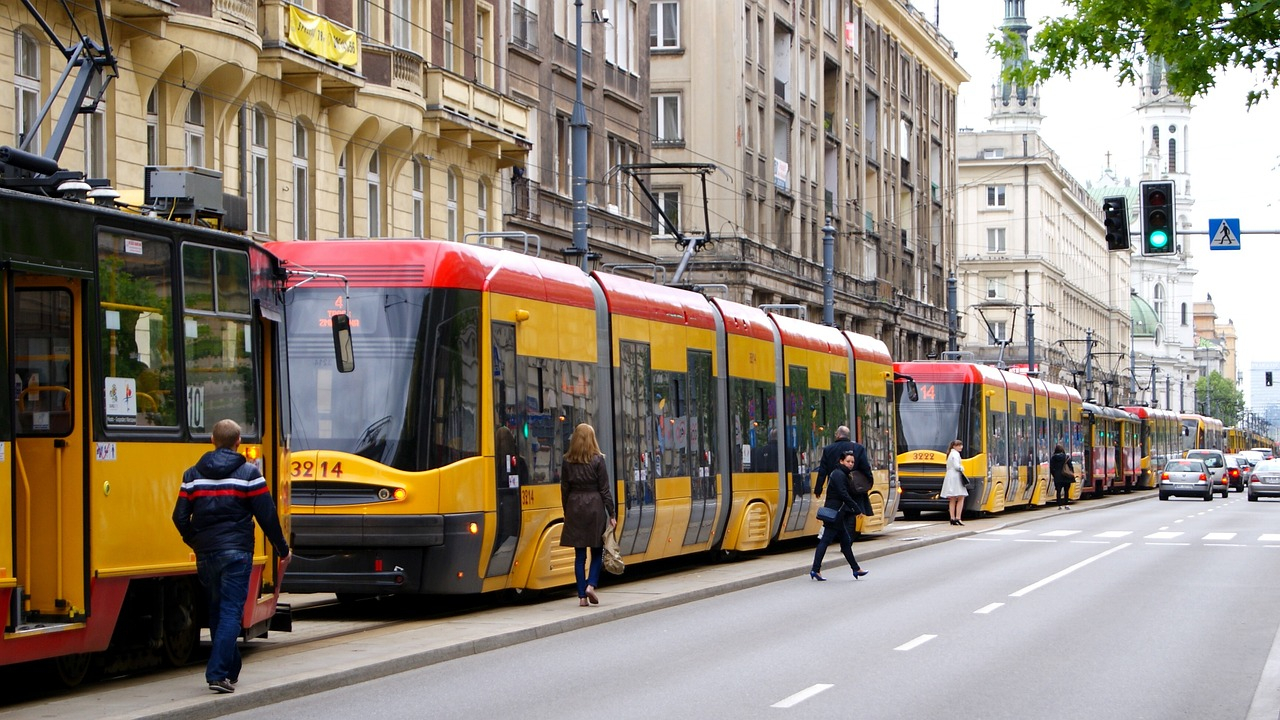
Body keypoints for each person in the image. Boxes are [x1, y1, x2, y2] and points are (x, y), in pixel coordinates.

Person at [172, 419, 290, 694]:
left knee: (217, 611)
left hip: (207, 554)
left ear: (211, 441)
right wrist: (282, 549)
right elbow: (267, 516)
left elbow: (178, 517)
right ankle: (217, 674)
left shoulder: (192, 475)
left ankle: (230, 668)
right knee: (230, 613)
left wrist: (196, 540)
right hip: (237, 553)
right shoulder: (249, 474)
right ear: (239, 442)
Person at [559, 423, 616, 607]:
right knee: (597, 550)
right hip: (595, 507)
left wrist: (567, 511)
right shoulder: (598, 460)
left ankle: (582, 596)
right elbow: (605, 489)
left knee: (579, 555)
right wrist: (612, 513)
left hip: (575, 507)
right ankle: (591, 585)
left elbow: (564, 489)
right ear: (592, 439)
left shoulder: (567, 461)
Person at [810, 449, 869, 581]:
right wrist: (856, 508)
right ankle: (815, 569)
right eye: (848, 461)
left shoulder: (842, 473)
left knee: (845, 542)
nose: (851, 464)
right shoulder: (838, 474)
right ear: (841, 461)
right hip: (834, 513)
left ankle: (856, 569)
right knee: (826, 541)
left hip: (838, 513)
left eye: (852, 462)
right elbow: (843, 494)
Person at [815, 425, 874, 519]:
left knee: (835, 518)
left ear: (837, 435)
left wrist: (818, 488)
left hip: (835, 491)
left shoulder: (828, 449)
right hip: (854, 489)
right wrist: (870, 482)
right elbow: (865, 468)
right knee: (850, 518)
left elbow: (822, 471)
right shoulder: (859, 448)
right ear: (848, 436)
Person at [940, 439, 968, 525]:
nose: (961, 447)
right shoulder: (955, 454)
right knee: (961, 497)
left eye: (961, 445)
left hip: (949, 477)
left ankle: (952, 518)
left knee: (952, 498)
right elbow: (957, 466)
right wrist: (962, 468)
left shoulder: (950, 454)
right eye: (959, 445)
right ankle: (958, 518)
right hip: (956, 477)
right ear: (954, 446)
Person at [1049, 443, 1076, 509]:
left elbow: (1051, 468)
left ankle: (1059, 505)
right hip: (1066, 477)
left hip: (1058, 477)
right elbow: (1070, 467)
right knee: (1066, 491)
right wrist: (1071, 473)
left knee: (1058, 491)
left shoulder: (1053, 458)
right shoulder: (1066, 457)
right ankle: (1066, 504)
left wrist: (1054, 475)